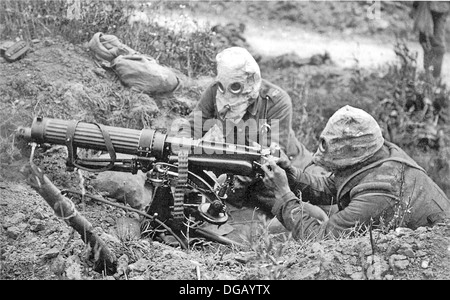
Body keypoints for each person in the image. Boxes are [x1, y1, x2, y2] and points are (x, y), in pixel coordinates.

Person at [261, 105, 450, 240]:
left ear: (353, 153)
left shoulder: (380, 190)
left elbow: (320, 239)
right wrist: (291, 174)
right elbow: (332, 186)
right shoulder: (377, 154)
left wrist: (284, 195)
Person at [175, 46, 326, 216]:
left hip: (284, 171)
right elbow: (192, 126)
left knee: (314, 213)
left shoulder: (277, 101)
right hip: (240, 170)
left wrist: (226, 184)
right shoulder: (214, 91)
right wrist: (181, 148)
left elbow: (271, 158)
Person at [412, 1, 450, 79]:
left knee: (436, 43)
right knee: (424, 41)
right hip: (425, 5)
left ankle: (435, 77)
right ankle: (428, 75)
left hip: (439, 6)